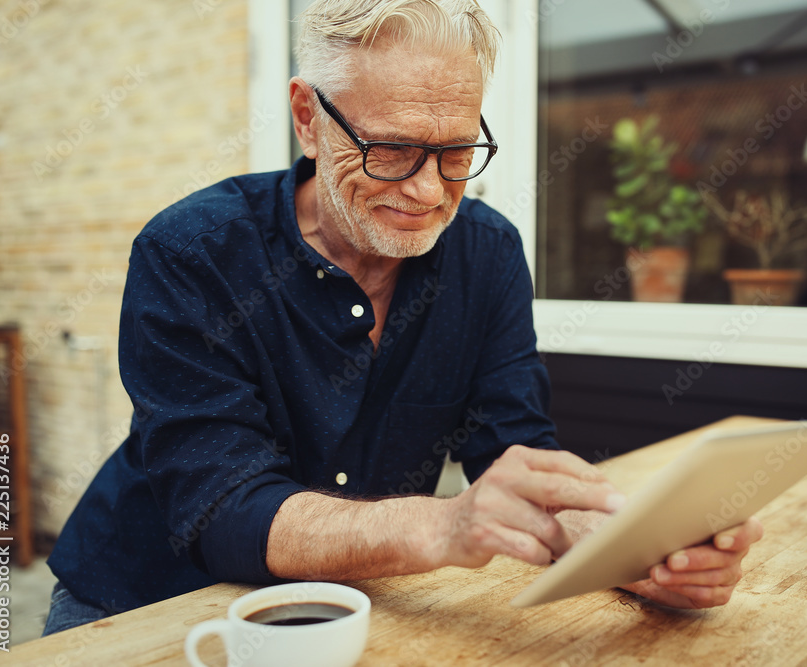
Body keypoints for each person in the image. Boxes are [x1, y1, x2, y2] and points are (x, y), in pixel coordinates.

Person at [43, 0, 762, 635]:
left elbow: (515, 453)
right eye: (390, 149)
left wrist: (637, 551)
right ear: (307, 118)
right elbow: (224, 507)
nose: (427, 190)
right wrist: (446, 523)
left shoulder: (488, 255)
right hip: (141, 608)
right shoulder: (191, 253)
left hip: (348, 610)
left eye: (455, 154)